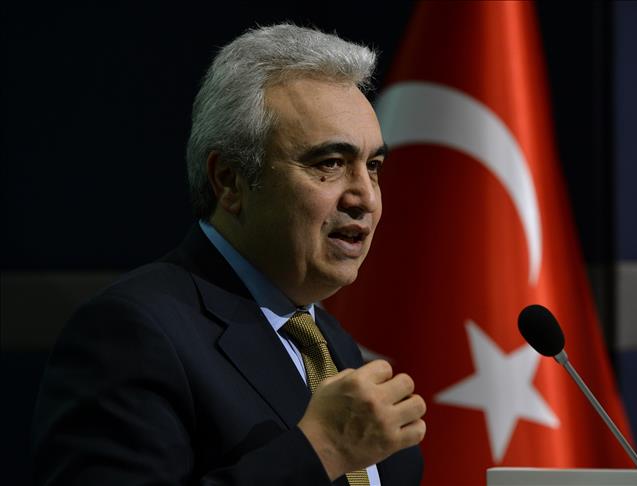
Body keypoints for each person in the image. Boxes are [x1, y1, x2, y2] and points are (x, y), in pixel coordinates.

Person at [31, 24, 425, 485]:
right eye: (330, 164)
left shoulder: (331, 343)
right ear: (230, 181)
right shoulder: (131, 333)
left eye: (373, 166)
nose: (366, 198)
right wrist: (323, 449)